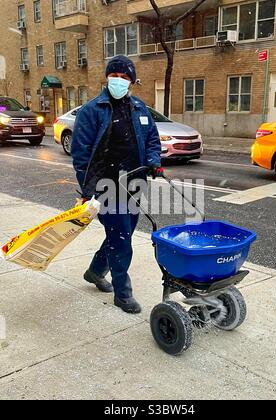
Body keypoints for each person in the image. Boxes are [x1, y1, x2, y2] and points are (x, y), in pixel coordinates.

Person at [71, 55, 163, 314]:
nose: (119, 81)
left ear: (132, 81)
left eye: (125, 77)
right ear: (107, 77)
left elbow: (152, 140)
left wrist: (154, 161)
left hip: (134, 183)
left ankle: (95, 272)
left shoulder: (139, 108)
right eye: (115, 75)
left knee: (122, 233)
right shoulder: (92, 110)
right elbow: (81, 155)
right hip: (105, 186)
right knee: (121, 238)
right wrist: (88, 191)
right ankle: (122, 293)